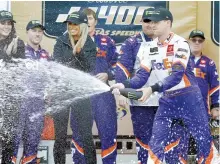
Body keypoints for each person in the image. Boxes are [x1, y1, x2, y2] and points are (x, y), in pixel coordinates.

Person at [132, 8, 215, 163]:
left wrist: (151, 89)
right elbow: (141, 77)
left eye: (157, 21)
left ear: (168, 23)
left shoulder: (181, 43)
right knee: (156, 141)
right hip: (167, 100)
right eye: (151, 21)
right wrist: (121, 85)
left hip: (189, 99)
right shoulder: (149, 47)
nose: (153, 25)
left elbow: (176, 76)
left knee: (203, 141)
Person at [68, 8, 118, 164]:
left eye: (90, 18)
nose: (87, 21)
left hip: (103, 96)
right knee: (80, 135)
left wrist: (108, 74)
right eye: (84, 19)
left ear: (95, 21)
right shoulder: (69, 41)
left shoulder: (107, 41)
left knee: (108, 134)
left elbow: (119, 66)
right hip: (81, 96)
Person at [111, 8, 159, 163]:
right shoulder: (132, 42)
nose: (150, 24)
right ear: (141, 22)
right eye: (147, 21)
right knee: (143, 138)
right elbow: (122, 68)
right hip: (141, 101)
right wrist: (121, 92)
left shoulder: (169, 41)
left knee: (163, 139)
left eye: (154, 21)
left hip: (165, 101)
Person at [53, 11, 97, 164]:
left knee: (86, 134)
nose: (72, 26)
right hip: (62, 92)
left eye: (75, 23)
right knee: (60, 136)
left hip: (81, 92)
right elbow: (57, 64)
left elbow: (90, 68)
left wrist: (80, 54)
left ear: (83, 25)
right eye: (70, 23)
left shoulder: (89, 43)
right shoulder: (61, 40)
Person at [11, 20, 50, 164]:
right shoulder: (19, 51)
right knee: (13, 142)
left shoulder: (46, 55)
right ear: (27, 32)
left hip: (38, 106)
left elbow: (50, 78)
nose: (37, 34)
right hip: (19, 104)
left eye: (40, 31)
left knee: (33, 143)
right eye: (34, 31)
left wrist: (49, 92)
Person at [0, 10, 25, 164]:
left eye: (9, 23)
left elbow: (20, 70)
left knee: (8, 138)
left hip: (10, 98)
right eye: (3, 23)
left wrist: (6, 59)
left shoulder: (18, 42)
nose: (7, 26)